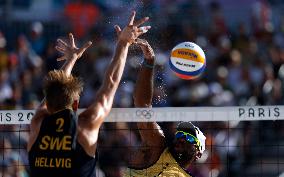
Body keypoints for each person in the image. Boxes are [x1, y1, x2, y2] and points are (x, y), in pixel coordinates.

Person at [27, 11, 151, 177]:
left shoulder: (38, 123)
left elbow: (51, 93)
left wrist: (70, 61)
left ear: (48, 102)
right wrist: (123, 42)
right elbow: (111, 83)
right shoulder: (84, 126)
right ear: (76, 104)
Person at [124, 39, 206, 177]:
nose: (181, 138)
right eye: (180, 134)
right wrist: (149, 61)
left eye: (190, 138)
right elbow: (142, 106)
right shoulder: (157, 147)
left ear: (198, 153)